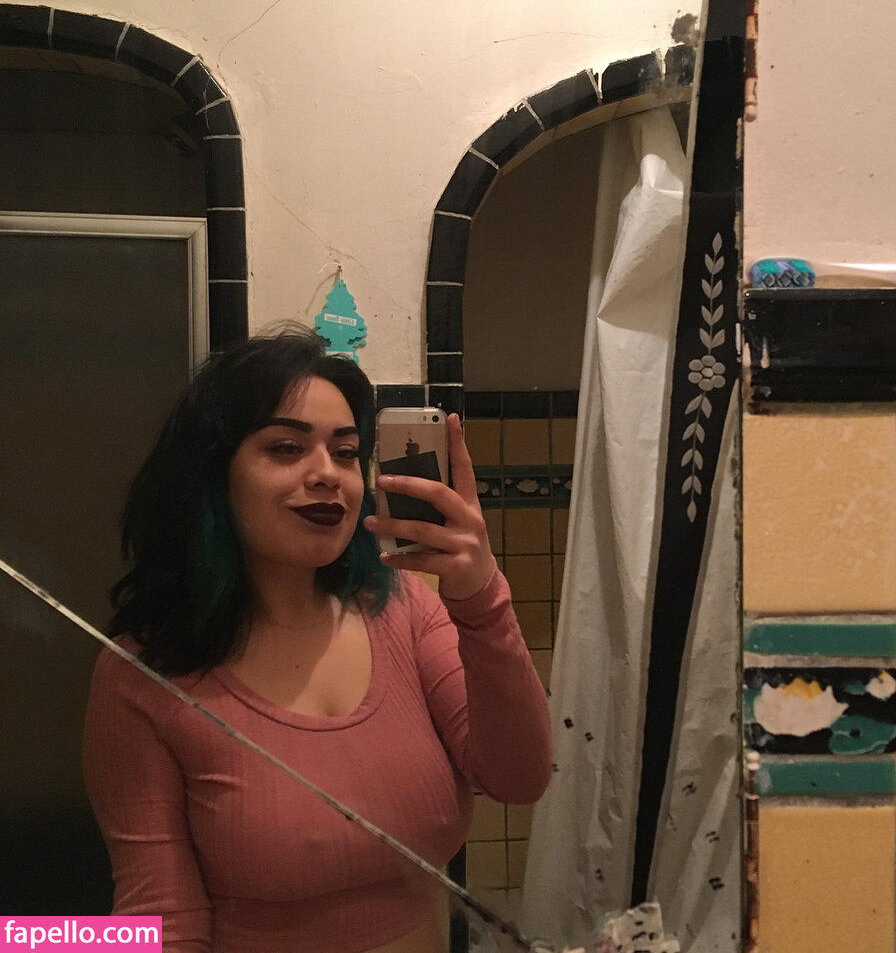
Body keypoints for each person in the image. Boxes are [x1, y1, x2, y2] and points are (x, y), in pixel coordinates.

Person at [82, 327, 553, 953]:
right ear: (213, 473)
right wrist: (37, 939)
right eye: (286, 448)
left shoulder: (405, 607)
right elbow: (161, 919)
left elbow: (519, 778)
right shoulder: (141, 675)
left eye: (347, 452)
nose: (328, 474)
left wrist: (481, 597)